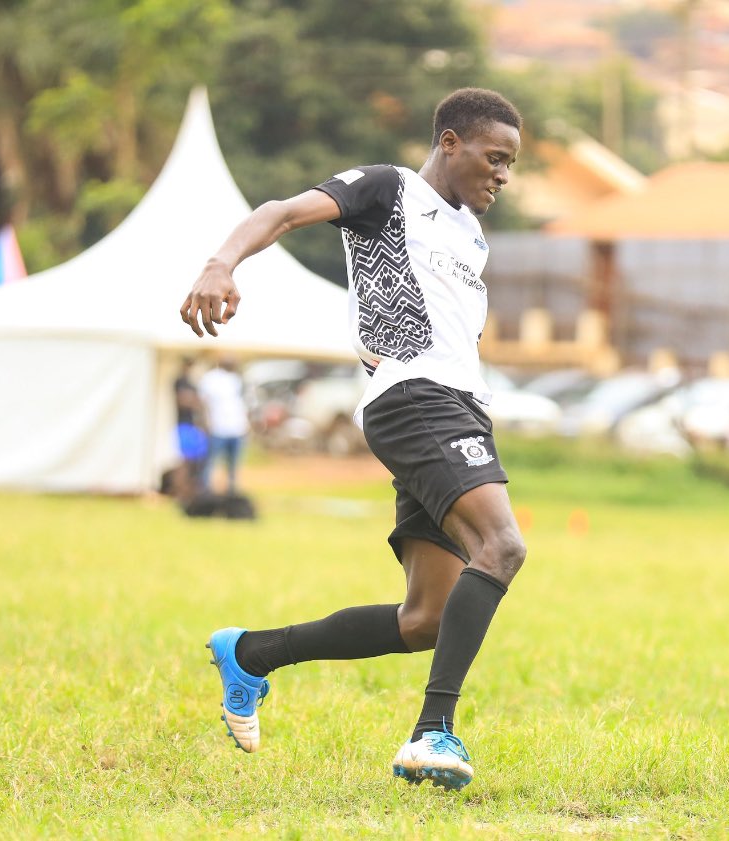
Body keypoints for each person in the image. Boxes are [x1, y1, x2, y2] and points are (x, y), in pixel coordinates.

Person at [180, 88, 525, 791]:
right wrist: (223, 262)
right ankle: (434, 731)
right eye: (494, 158)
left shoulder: (470, 236)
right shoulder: (387, 189)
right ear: (450, 142)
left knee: (427, 617)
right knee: (504, 546)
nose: (503, 175)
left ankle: (250, 653)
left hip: (456, 405)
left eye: (512, 164)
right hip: (417, 399)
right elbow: (280, 212)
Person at [197, 355, 249, 494]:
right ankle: (205, 493)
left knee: (233, 465)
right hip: (218, 427)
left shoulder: (236, 379)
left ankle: (231, 493)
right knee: (211, 463)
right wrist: (206, 422)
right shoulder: (211, 378)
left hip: (236, 428)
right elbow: (203, 403)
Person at [173, 356, 208, 497]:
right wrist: (195, 401)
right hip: (184, 425)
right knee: (185, 461)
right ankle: (180, 491)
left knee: (195, 461)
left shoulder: (191, 382)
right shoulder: (180, 381)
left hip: (193, 426)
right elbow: (183, 401)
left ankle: (190, 490)